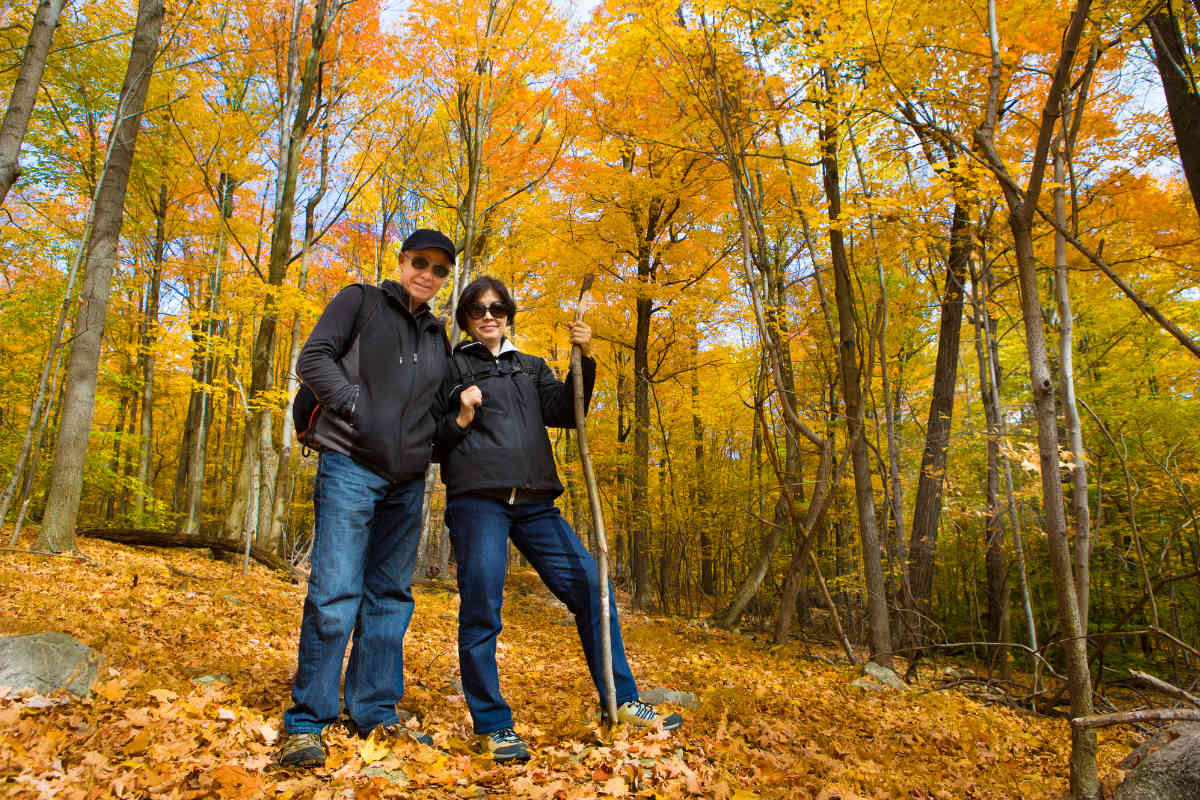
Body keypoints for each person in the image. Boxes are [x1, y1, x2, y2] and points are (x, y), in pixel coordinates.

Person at [434, 275, 683, 764]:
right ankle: (493, 725)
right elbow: (434, 442)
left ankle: (620, 700)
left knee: (593, 586)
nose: (489, 315)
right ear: (466, 315)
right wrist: (461, 416)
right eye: (479, 308)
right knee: (482, 607)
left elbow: (567, 413)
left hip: (535, 504)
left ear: (508, 313)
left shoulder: (530, 367)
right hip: (478, 501)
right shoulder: (452, 367)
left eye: (498, 307)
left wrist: (582, 361)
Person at [277, 228, 456, 769]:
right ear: (401, 261)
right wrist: (355, 404)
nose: (427, 274)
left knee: (390, 598)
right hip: (350, 467)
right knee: (334, 592)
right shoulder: (361, 301)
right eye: (419, 262)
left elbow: (438, 406)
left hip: (407, 483)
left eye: (439, 269)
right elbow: (313, 358)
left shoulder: (437, 337)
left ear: (446, 279)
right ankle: (307, 721)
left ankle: (374, 710)